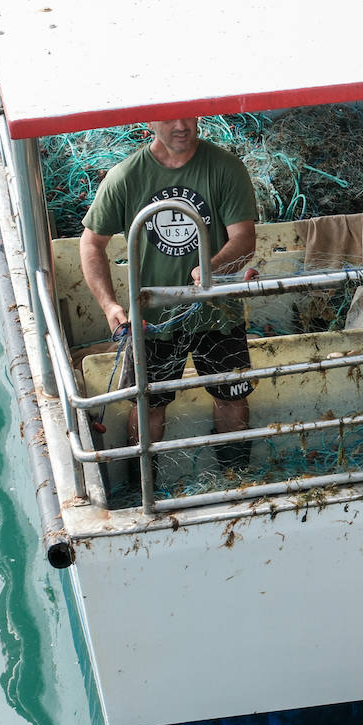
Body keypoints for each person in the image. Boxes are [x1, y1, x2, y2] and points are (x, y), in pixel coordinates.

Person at [79, 117, 258, 472]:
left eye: (188, 115)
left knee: (231, 396)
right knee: (148, 404)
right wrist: (110, 304)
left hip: (218, 314)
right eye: (168, 117)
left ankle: (237, 476)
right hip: (152, 319)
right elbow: (91, 243)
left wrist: (213, 266)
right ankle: (142, 483)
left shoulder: (225, 168)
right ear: (148, 120)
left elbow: (244, 240)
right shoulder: (126, 176)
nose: (181, 125)